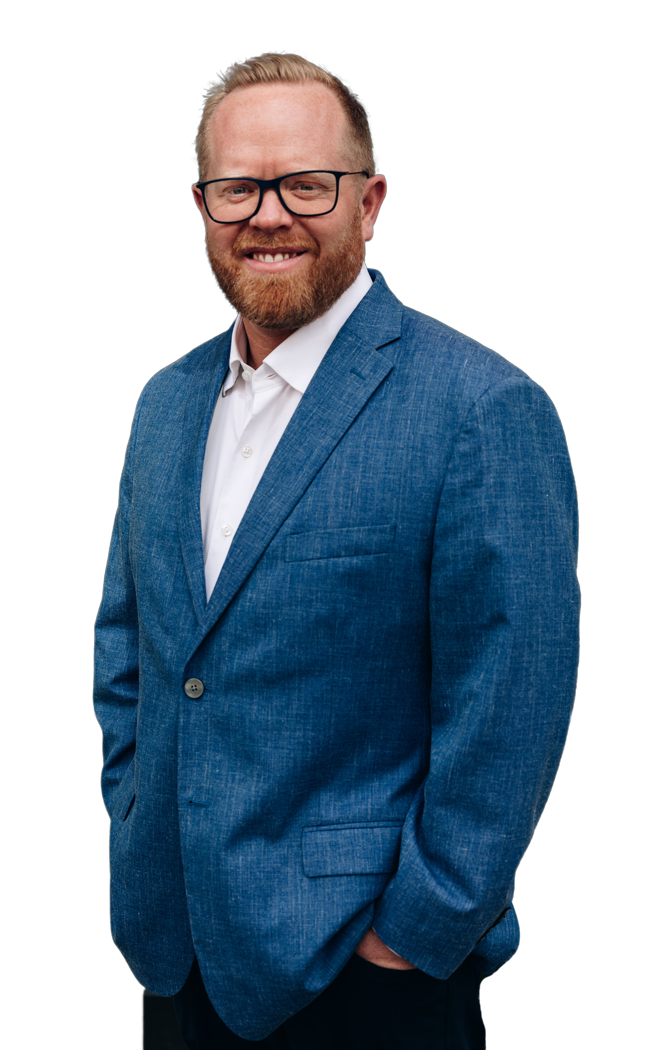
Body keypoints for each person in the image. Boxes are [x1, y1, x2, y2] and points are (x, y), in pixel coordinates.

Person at [94, 52, 580, 1050]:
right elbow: (128, 650)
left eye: (305, 185)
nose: (268, 215)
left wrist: (410, 934)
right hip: (185, 940)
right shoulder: (167, 403)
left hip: (374, 976)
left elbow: (511, 707)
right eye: (238, 187)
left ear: (369, 202)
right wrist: (136, 808)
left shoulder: (481, 408)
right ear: (203, 205)